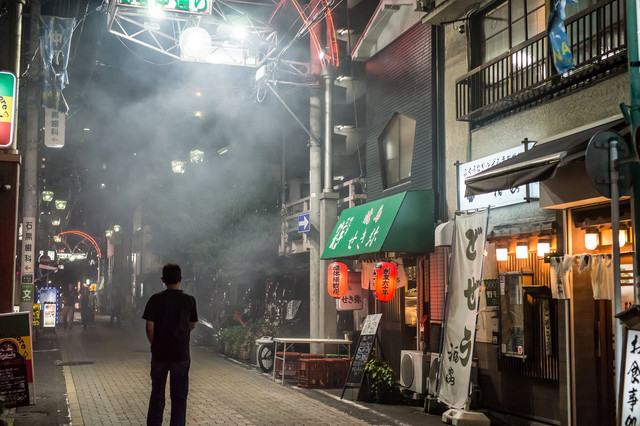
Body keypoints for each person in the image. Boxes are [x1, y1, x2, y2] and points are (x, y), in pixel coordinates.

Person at [143, 264, 198, 426]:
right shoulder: (189, 300)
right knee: (179, 396)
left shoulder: (155, 300)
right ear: (180, 279)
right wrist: (180, 335)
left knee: (157, 394)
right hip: (180, 354)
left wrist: (155, 344)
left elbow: (149, 328)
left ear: (163, 280)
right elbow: (192, 324)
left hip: (159, 353)